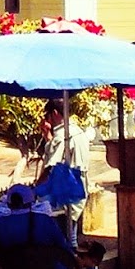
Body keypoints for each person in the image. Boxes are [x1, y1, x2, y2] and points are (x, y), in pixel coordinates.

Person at [36, 100, 94, 244]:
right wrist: (48, 137)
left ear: (54, 113)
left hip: (67, 188)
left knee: (65, 236)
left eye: (48, 115)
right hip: (79, 185)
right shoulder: (77, 131)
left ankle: (69, 264)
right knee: (70, 232)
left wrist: (36, 187)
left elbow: (52, 166)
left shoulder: (63, 135)